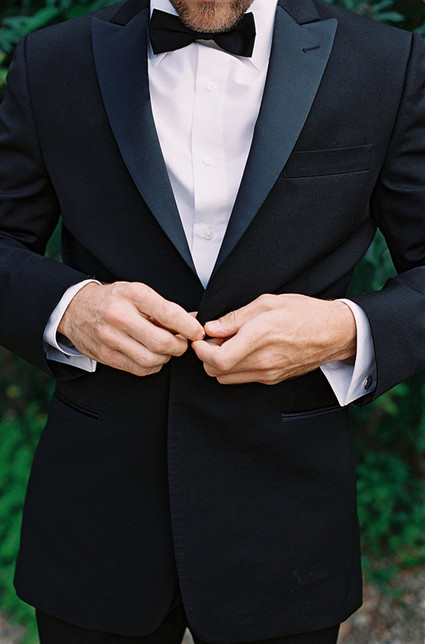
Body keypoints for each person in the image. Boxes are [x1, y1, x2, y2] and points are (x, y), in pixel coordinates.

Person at [0, 0, 424, 641]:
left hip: (286, 534)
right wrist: (69, 308)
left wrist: (344, 329)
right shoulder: (52, 62)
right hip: (97, 527)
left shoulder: (386, 64)